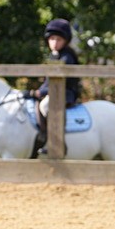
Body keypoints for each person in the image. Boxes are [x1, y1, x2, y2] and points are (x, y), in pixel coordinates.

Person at [29, 17, 81, 158]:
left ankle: (56, 143)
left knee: (46, 106)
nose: (55, 43)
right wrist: (40, 90)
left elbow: (60, 81)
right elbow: (48, 81)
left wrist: (41, 92)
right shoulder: (54, 56)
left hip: (66, 92)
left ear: (65, 41)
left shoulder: (67, 56)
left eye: (59, 40)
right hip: (55, 90)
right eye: (52, 39)